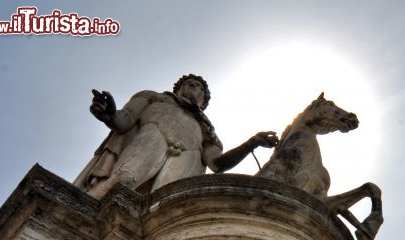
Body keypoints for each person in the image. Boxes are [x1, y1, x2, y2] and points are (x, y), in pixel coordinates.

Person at [74, 74, 278, 198]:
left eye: (199, 87)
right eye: (189, 83)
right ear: (178, 88)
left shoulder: (207, 131)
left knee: (167, 206)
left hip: (186, 159)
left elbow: (217, 164)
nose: (194, 87)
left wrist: (252, 143)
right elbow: (124, 120)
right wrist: (108, 113)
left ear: (203, 101)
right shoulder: (153, 98)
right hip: (151, 138)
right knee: (122, 181)